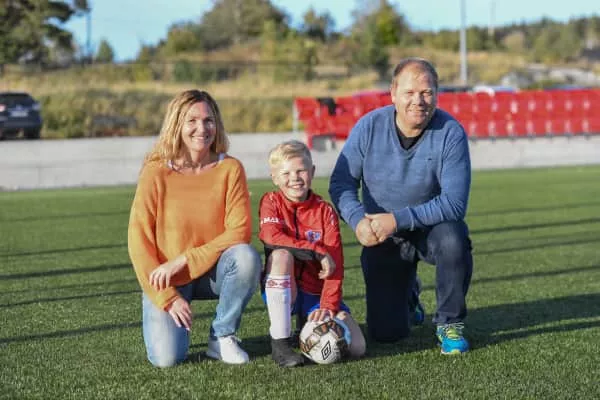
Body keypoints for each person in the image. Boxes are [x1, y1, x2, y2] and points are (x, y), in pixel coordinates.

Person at [329, 58, 473, 355]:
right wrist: (357, 220)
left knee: (453, 239)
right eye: (409, 93)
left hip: (431, 229)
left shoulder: (451, 132)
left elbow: (455, 203)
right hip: (385, 236)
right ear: (393, 93)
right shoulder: (369, 126)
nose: (418, 101)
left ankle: (450, 323)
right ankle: (409, 297)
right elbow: (341, 183)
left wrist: (396, 219)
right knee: (386, 334)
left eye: (427, 92)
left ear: (437, 94)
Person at [127, 89, 262, 367]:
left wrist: (185, 259)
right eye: (192, 121)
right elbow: (138, 241)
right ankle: (173, 314)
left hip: (212, 272)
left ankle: (222, 336)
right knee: (166, 359)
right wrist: (167, 298)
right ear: (177, 124)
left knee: (246, 257)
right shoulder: (156, 171)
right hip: (167, 279)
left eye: (208, 120)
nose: (202, 128)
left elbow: (239, 232)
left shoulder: (230, 169)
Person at [258, 140, 366, 367]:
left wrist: (328, 305)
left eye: (301, 170)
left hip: (316, 293)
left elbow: (335, 263)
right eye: (286, 173)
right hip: (285, 290)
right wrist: (316, 252)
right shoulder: (271, 201)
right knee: (281, 256)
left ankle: (306, 324)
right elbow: (270, 236)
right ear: (274, 178)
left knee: (357, 347)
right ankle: (281, 344)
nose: (295, 178)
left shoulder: (325, 211)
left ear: (312, 171)